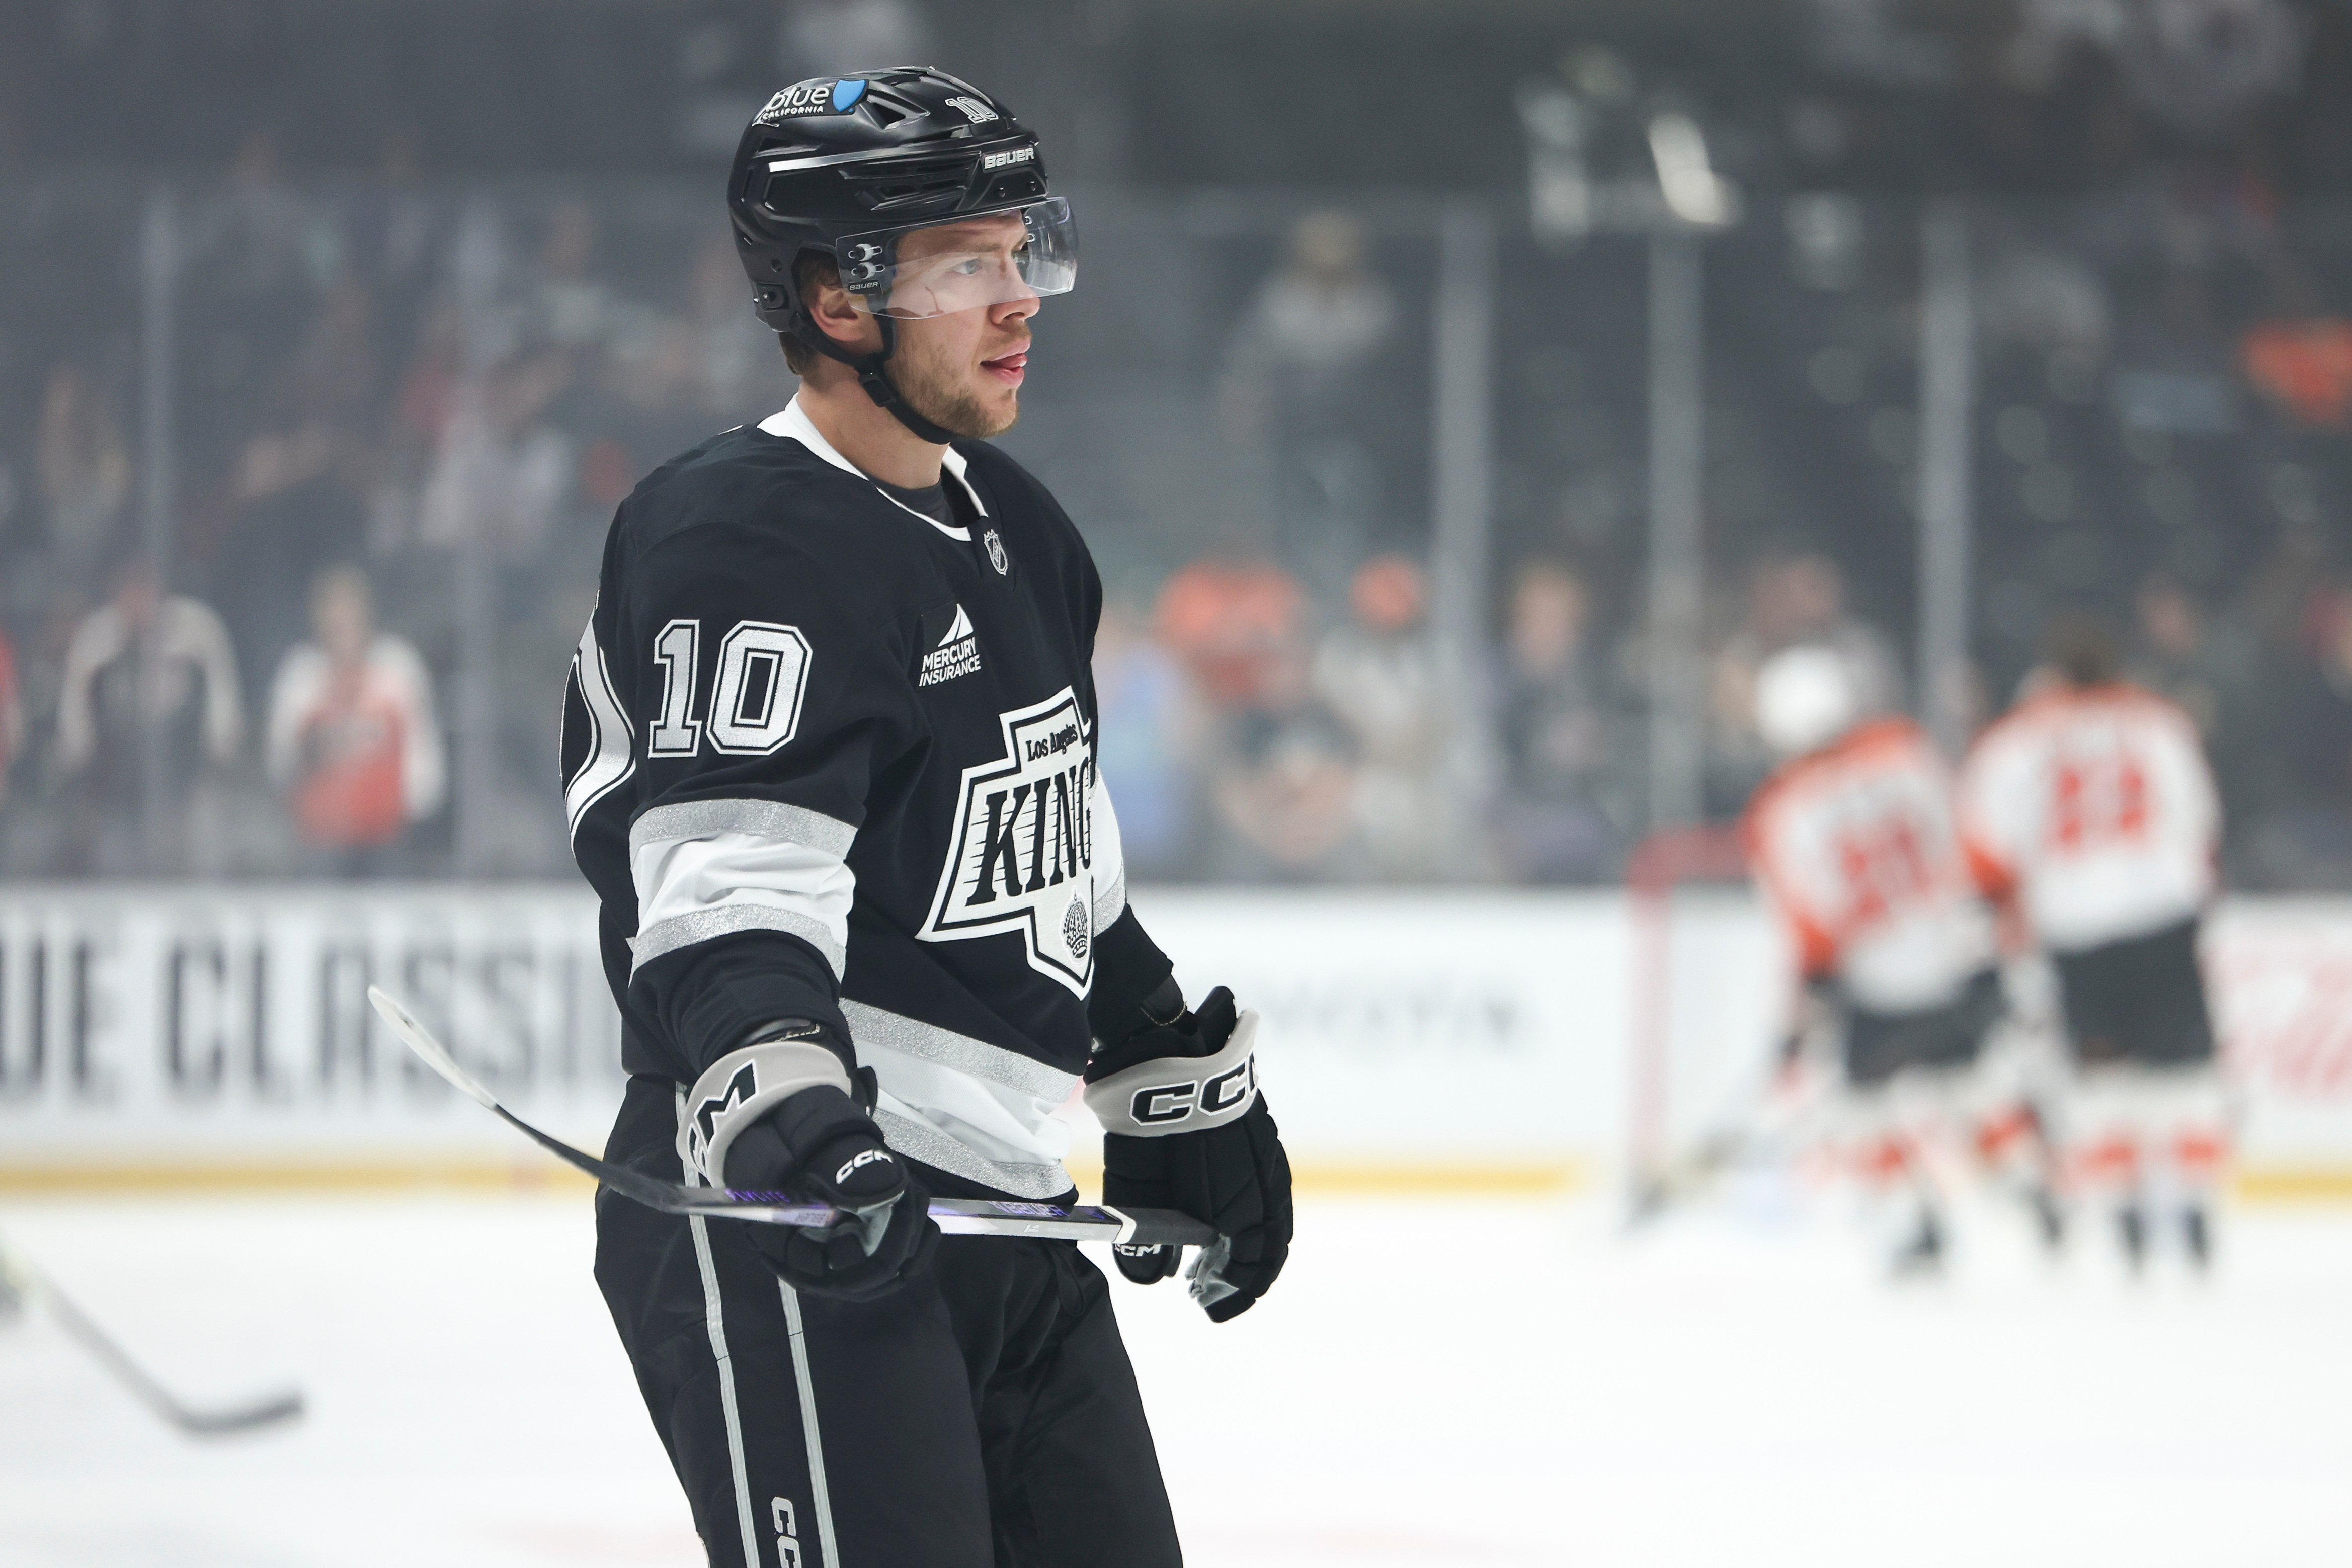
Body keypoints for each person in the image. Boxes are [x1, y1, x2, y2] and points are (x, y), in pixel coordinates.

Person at [563, 70, 1292, 1568]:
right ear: (836, 299)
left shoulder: (1018, 525)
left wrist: (1159, 1064)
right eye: (966, 266)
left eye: (1024, 250)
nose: (1020, 298)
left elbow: (1058, 864)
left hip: (1002, 1213)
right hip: (808, 1217)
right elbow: (723, 896)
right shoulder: (744, 536)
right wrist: (794, 1122)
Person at [1741, 646, 2056, 1275]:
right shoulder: (1906, 752)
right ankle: (2026, 1181)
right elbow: (1967, 838)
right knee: (1973, 1084)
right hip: (1954, 958)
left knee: (1862, 1110)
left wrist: (1806, 1009)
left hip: (1878, 982)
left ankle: (1906, 1222)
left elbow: (1808, 925)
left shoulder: (1779, 809)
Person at [1959, 614, 2228, 1272]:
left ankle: (2123, 1205)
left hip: (2074, 921)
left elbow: (1985, 841)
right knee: (2183, 1066)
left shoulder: (2017, 740)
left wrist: (2010, 905)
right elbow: (2198, 818)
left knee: (2101, 1067)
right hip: (2161, 911)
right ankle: (2192, 1200)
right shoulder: (2157, 722)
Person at [264, 566, 445, 874]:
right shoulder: (301, 677)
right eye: (333, 617)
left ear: (367, 616)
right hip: (319, 841)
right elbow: (281, 761)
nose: (342, 626)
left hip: (387, 838)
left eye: (350, 615)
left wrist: (412, 812)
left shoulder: (397, 667)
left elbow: (422, 751)